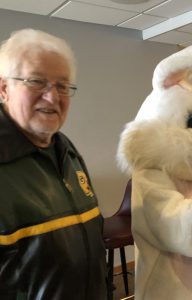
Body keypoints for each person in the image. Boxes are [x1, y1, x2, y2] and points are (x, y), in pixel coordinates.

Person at [0, 29, 107, 299]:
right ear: (3, 88)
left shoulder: (66, 151)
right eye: (36, 81)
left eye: (62, 86)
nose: (52, 97)